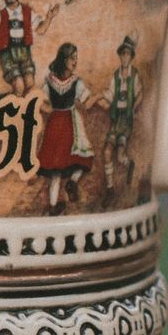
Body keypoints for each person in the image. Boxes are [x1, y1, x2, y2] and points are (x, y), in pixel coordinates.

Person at [35, 42, 94, 213]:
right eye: (72, 58)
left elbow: (40, 101)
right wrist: (98, 98)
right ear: (64, 59)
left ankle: (53, 205)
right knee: (83, 157)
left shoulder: (50, 81)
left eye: (76, 59)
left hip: (55, 122)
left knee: (55, 169)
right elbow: (87, 101)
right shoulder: (75, 82)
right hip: (69, 123)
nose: (75, 62)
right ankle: (72, 182)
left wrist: (51, 111)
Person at [103, 35, 142, 194]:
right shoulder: (115, 76)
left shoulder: (135, 75)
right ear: (120, 55)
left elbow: (140, 93)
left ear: (131, 56)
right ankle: (110, 188)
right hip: (116, 118)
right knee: (106, 151)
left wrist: (134, 107)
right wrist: (99, 98)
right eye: (123, 53)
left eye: (128, 54)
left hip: (126, 120)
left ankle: (128, 163)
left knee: (119, 156)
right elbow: (110, 95)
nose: (125, 57)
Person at [0, 0, 35, 95]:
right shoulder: (0, 14)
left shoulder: (27, 12)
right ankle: (15, 108)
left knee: (29, 83)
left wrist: (49, 17)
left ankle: (24, 105)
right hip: (8, 53)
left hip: (24, 51)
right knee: (19, 85)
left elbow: (41, 28)